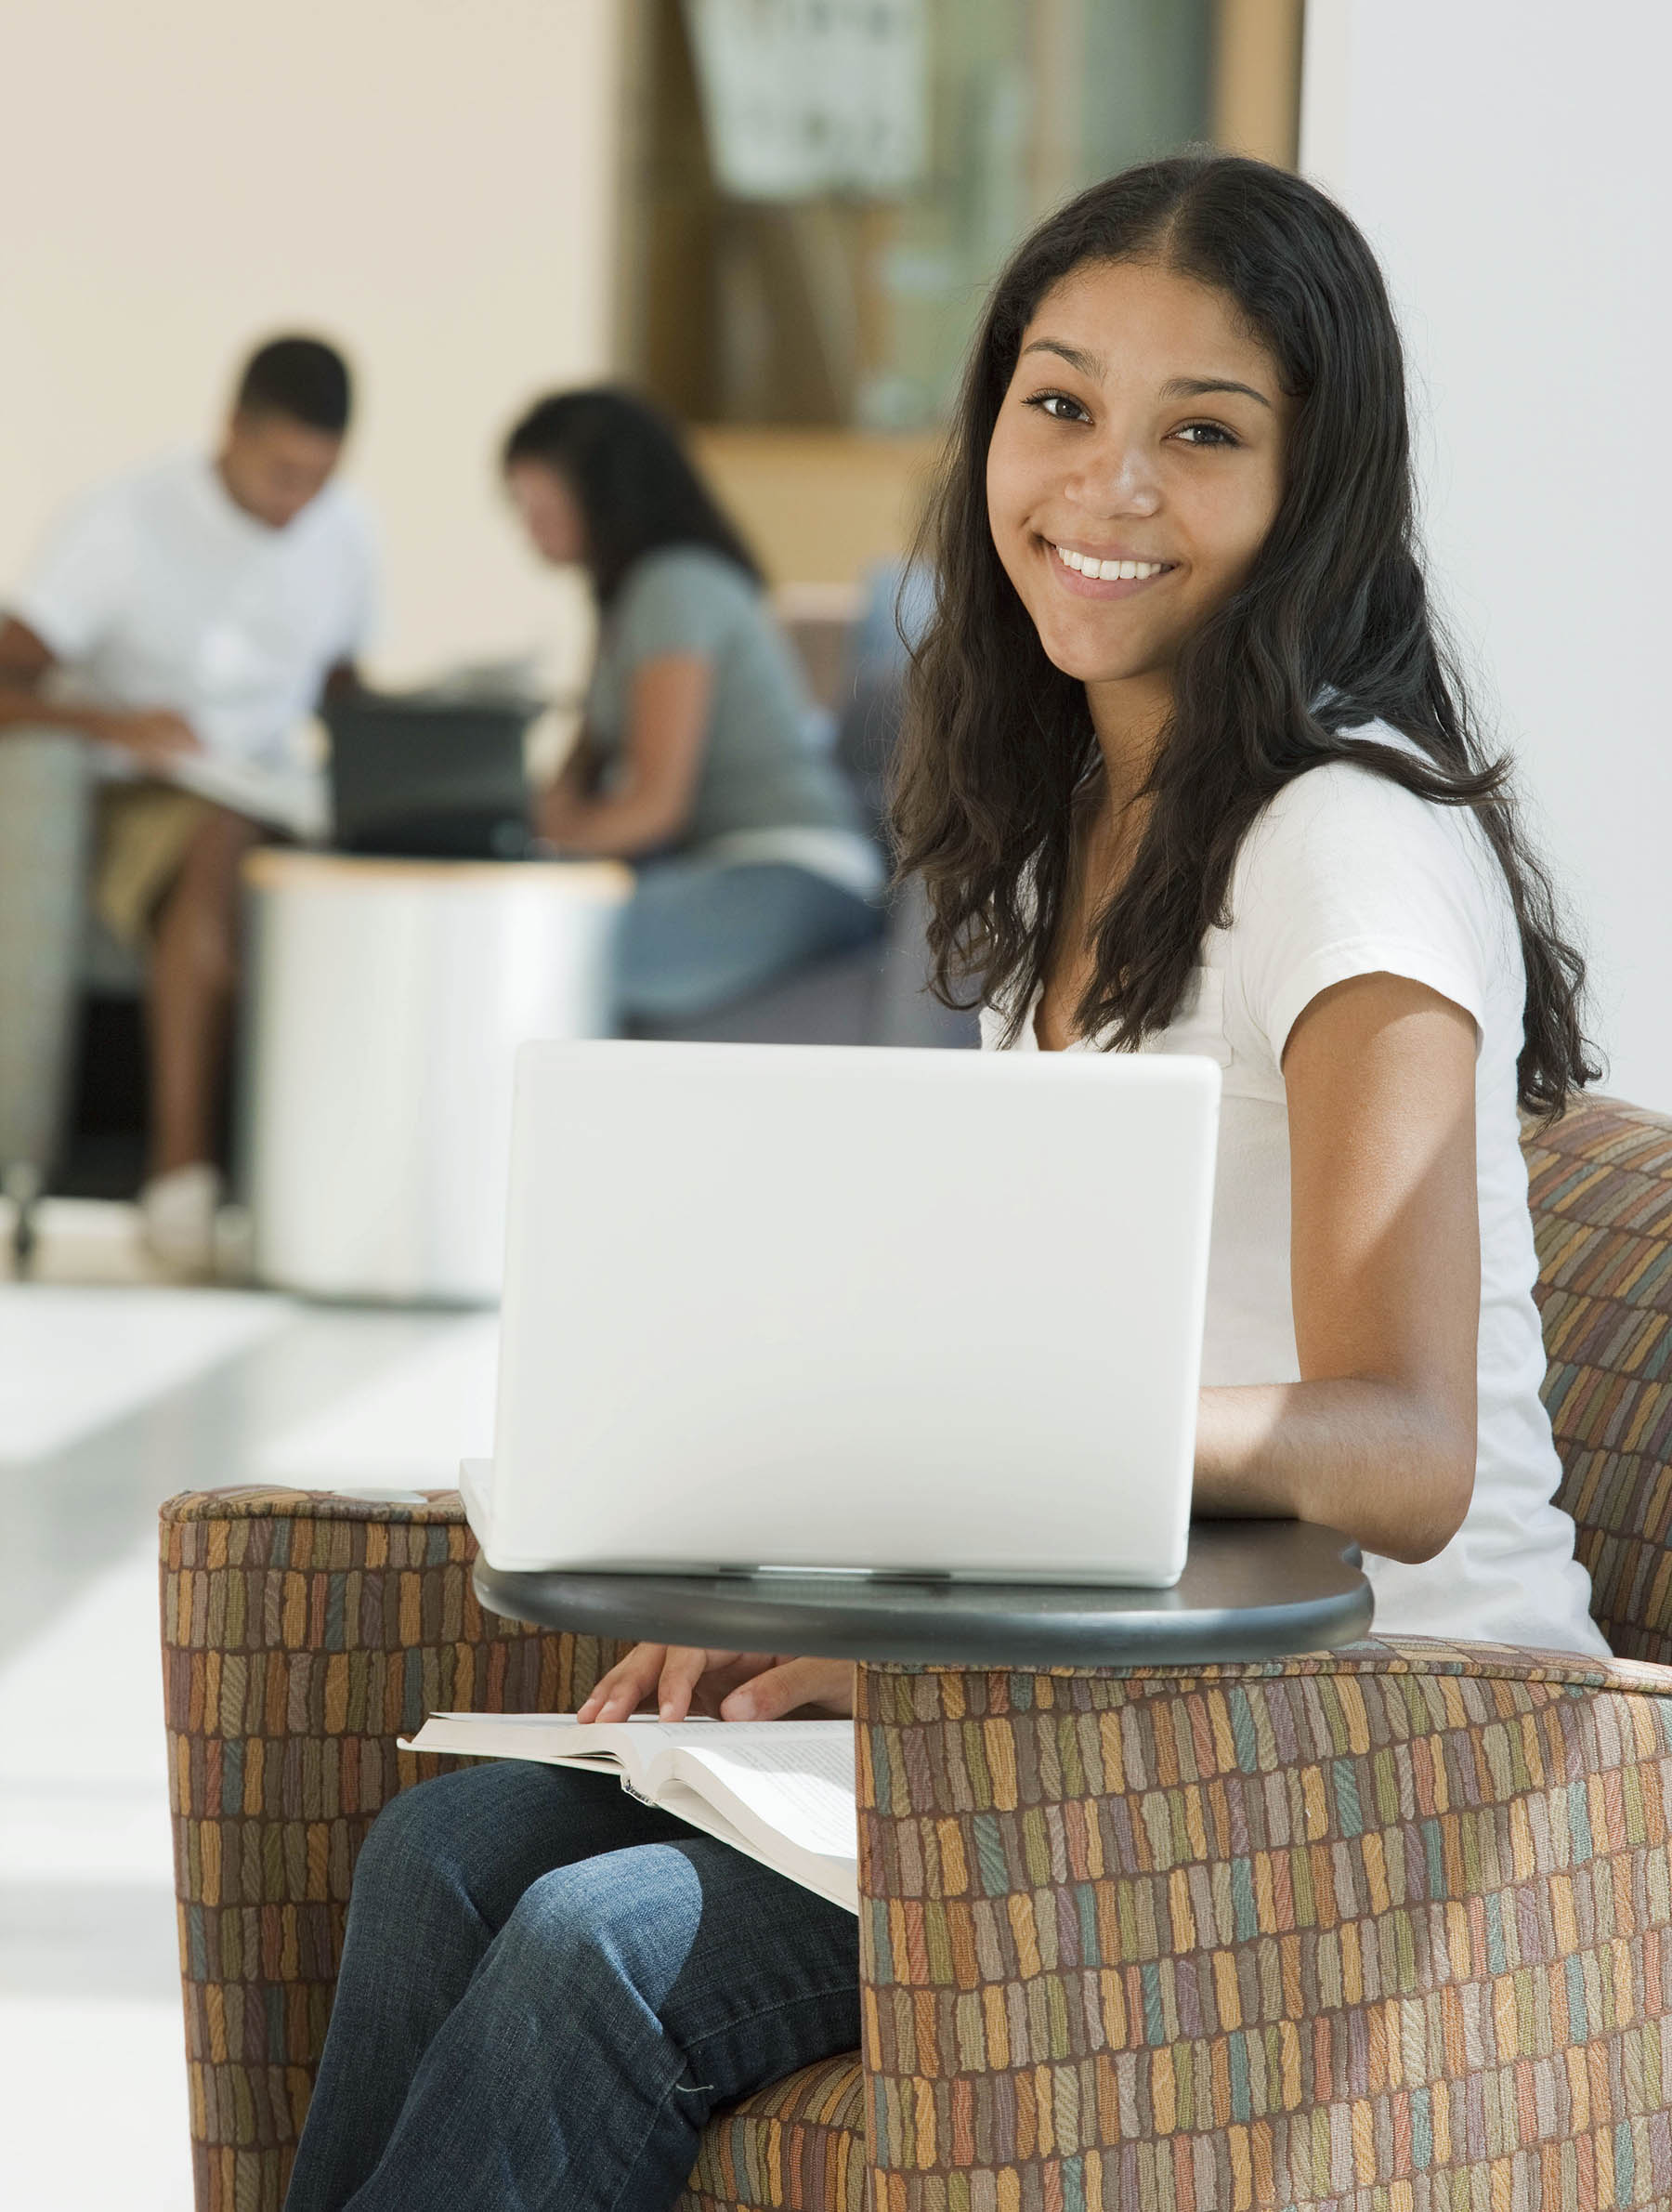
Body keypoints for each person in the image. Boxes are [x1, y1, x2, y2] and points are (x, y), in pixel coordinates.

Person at [282, 154, 1604, 2212]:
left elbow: (1404, 1447)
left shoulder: (1350, 842)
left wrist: (958, 1495)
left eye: (1204, 431)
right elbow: (1027, 1339)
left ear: (1317, 482)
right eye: (1061, 404)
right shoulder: (1079, 820)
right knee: (446, 1848)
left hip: (1379, 1731)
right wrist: (856, 1577)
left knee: (594, 1955)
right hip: (1112, 1677)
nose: (1110, 483)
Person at [0, 335, 377, 1272]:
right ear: (233, 431)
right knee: (221, 833)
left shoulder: (346, 531)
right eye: (281, 471)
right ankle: (181, 1168)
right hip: (145, 795)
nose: (299, 500)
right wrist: (113, 724)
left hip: (277, 789)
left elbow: (346, 685)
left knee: (296, 846)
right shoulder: (124, 521)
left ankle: (328, 1188)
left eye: (319, 479)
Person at [502, 387, 884, 1024]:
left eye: (538, 500)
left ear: (599, 490)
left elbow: (652, 807)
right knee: (536, 937)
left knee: (554, 956)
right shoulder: (625, 606)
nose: (527, 525)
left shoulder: (673, 586)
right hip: (724, 871)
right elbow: (574, 793)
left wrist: (533, 837)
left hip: (792, 872)